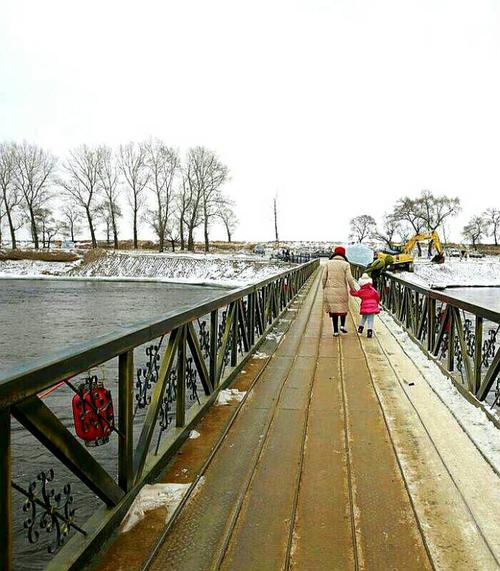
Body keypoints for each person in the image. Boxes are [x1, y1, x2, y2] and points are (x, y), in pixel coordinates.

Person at [322, 246, 358, 336]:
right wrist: (353, 288)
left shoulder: (328, 263)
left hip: (330, 290)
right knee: (343, 308)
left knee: (334, 311)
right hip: (342, 290)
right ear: (344, 254)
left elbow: (323, 277)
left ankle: (335, 331)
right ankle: (342, 325)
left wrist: (324, 286)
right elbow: (349, 278)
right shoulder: (346, 264)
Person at [350, 273, 380, 338]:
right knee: (370, 320)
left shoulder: (361, 291)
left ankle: (360, 330)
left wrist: (351, 289)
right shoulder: (373, 290)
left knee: (364, 318)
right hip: (373, 306)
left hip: (365, 306)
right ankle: (369, 332)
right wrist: (377, 304)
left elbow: (354, 293)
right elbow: (377, 296)